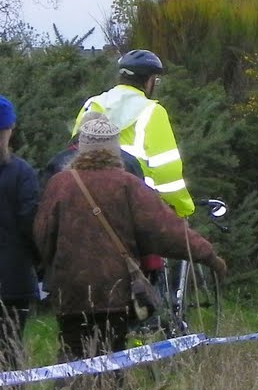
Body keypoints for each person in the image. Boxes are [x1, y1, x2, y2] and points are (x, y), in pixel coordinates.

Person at [35, 113, 224, 363]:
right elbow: (166, 229)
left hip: (71, 290)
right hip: (116, 290)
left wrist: (51, 270)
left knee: (72, 353)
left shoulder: (60, 184)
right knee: (113, 353)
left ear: (81, 148)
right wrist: (209, 256)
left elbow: (42, 235)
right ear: (114, 148)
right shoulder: (127, 184)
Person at [74, 50, 194, 290]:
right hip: (136, 207)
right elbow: (166, 170)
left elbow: (74, 152)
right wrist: (182, 207)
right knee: (147, 273)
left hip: (90, 203)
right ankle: (152, 319)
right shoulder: (152, 112)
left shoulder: (93, 105)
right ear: (150, 81)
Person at [0, 97, 40, 369]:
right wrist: (39, 261)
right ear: (10, 129)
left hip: (13, 280)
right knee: (10, 352)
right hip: (12, 281)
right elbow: (31, 223)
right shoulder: (21, 172)